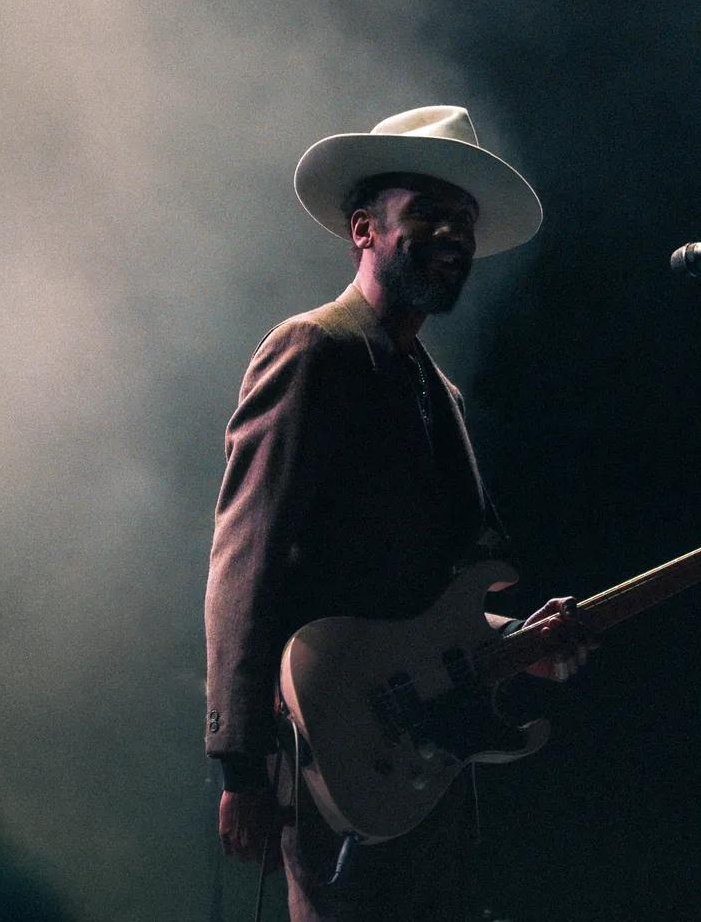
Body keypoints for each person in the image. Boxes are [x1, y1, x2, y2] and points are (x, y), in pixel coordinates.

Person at [204, 105, 594, 921]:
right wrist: (240, 763)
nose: (455, 235)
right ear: (363, 229)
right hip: (334, 752)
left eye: (465, 222)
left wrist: (515, 643)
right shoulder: (314, 350)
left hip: (428, 755)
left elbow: (428, 597)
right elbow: (247, 555)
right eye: (429, 213)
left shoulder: (438, 390)